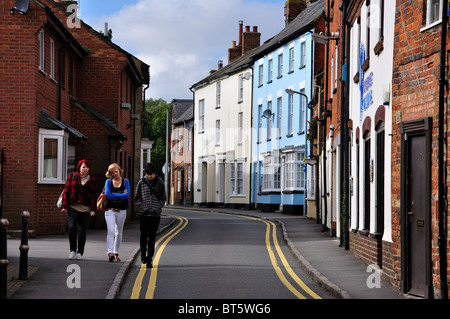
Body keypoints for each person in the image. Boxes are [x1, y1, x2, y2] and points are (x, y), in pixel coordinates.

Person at [61, 159, 97, 260]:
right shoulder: (72, 177)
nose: (85, 169)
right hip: (73, 206)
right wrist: (64, 206)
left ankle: (80, 252)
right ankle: (72, 251)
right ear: (79, 167)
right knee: (72, 228)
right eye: (83, 167)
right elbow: (66, 191)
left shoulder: (92, 180)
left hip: (85, 208)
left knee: (81, 230)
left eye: (87, 167)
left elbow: (93, 196)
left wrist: (93, 209)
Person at [134, 162, 166, 268]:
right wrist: (142, 205)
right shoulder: (142, 182)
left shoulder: (160, 182)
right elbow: (136, 197)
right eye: (147, 174)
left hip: (155, 215)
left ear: (154, 173)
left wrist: (158, 206)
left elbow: (163, 197)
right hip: (144, 214)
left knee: (152, 237)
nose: (149, 176)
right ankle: (143, 255)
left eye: (151, 174)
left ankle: (149, 259)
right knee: (143, 236)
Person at [104, 163, 130, 262]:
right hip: (110, 210)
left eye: (116, 171)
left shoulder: (125, 181)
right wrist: (120, 194)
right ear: (110, 174)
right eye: (112, 172)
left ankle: (116, 253)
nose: (115, 174)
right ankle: (110, 252)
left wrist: (113, 194)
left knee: (119, 233)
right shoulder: (108, 182)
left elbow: (126, 195)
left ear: (119, 170)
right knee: (111, 231)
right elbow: (107, 195)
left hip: (121, 210)